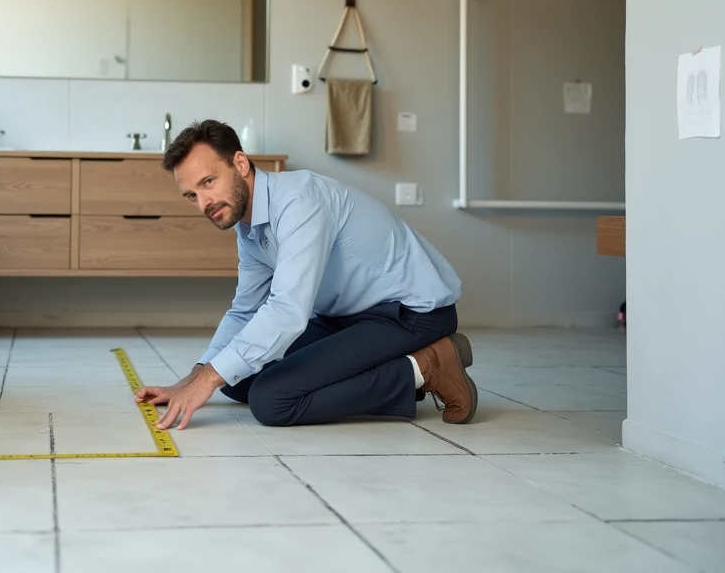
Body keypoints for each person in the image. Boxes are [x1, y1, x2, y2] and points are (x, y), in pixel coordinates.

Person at [134, 119, 477, 431]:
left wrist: (208, 379)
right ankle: (394, 366)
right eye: (192, 195)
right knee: (236, 379)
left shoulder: (300, 201)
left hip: (411, 314)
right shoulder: (249, 226)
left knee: (272, 401)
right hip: (346, 316)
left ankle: (425, 367)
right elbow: (245, 310)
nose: (204, 202)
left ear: (240, 164)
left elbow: (287, 311)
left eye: (209, 181)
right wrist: (195, 376)